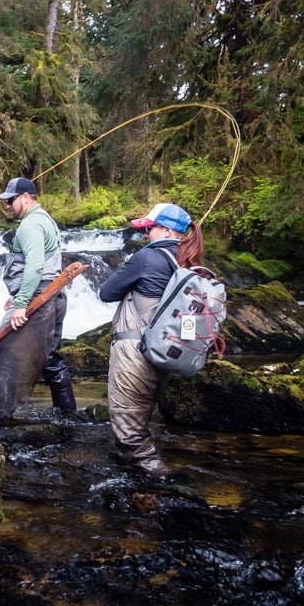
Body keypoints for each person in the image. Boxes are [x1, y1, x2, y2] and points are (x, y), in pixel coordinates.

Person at [96, 202, 205, 478]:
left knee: (132, 440)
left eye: (150, 228)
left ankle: (168, 491)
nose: (146, 235)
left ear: (167, 230)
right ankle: (138, 492)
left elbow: (106, 293)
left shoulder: (146, 259)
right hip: (165, 357)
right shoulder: (189, 262)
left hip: (135, 356)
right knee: (139, 427)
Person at [0, 177, 77, 419]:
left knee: (4, 354)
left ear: (26, 197)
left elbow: (34, 267)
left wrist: (22, 303)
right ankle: (67, 417)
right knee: (50, 356)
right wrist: (17, 294)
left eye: (11, 200)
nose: (8, 206)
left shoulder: (30, 225)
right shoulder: (46, 220)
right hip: (53, 294)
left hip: (38, 298)